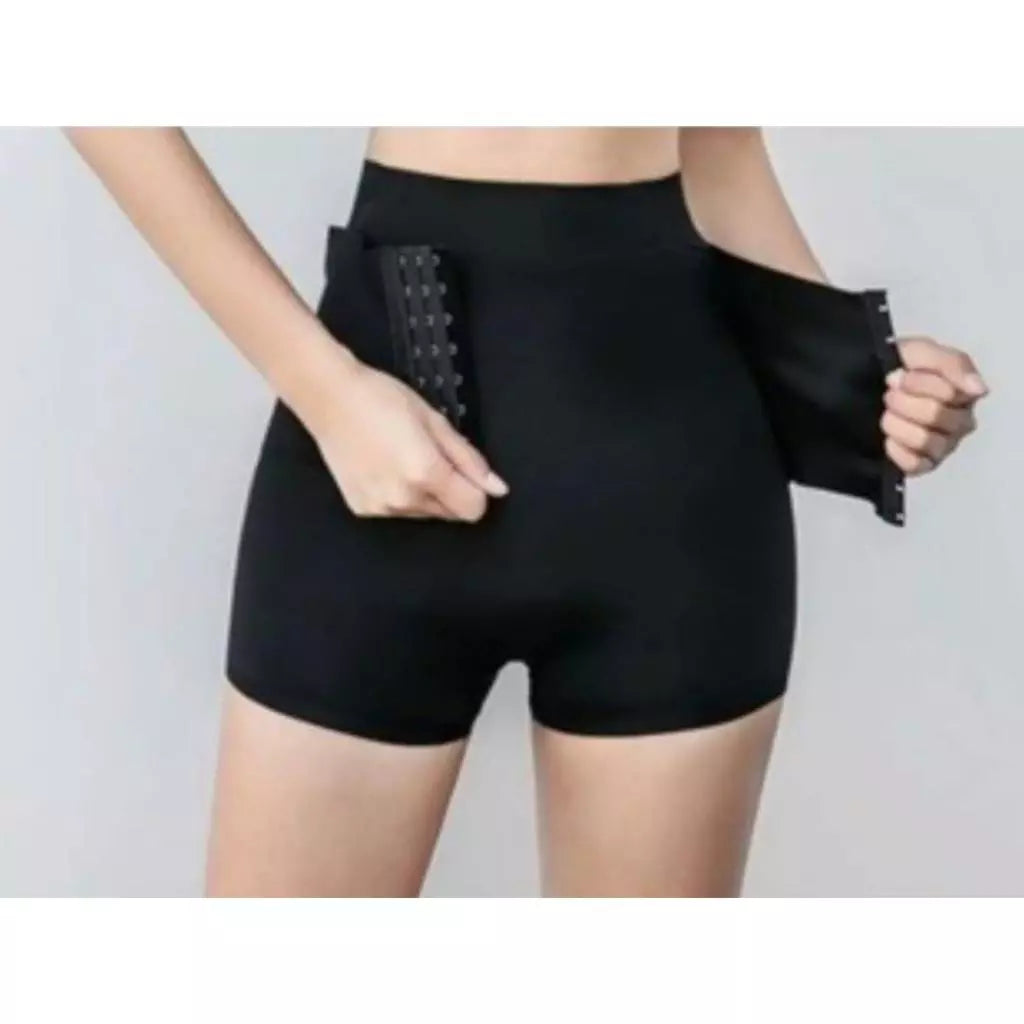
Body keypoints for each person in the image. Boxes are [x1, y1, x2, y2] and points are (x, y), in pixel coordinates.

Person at [64, 127, 987, 897]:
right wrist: (323, 389)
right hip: (379, 456)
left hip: (676, 487)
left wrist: (862, 388)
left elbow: (716, 148)